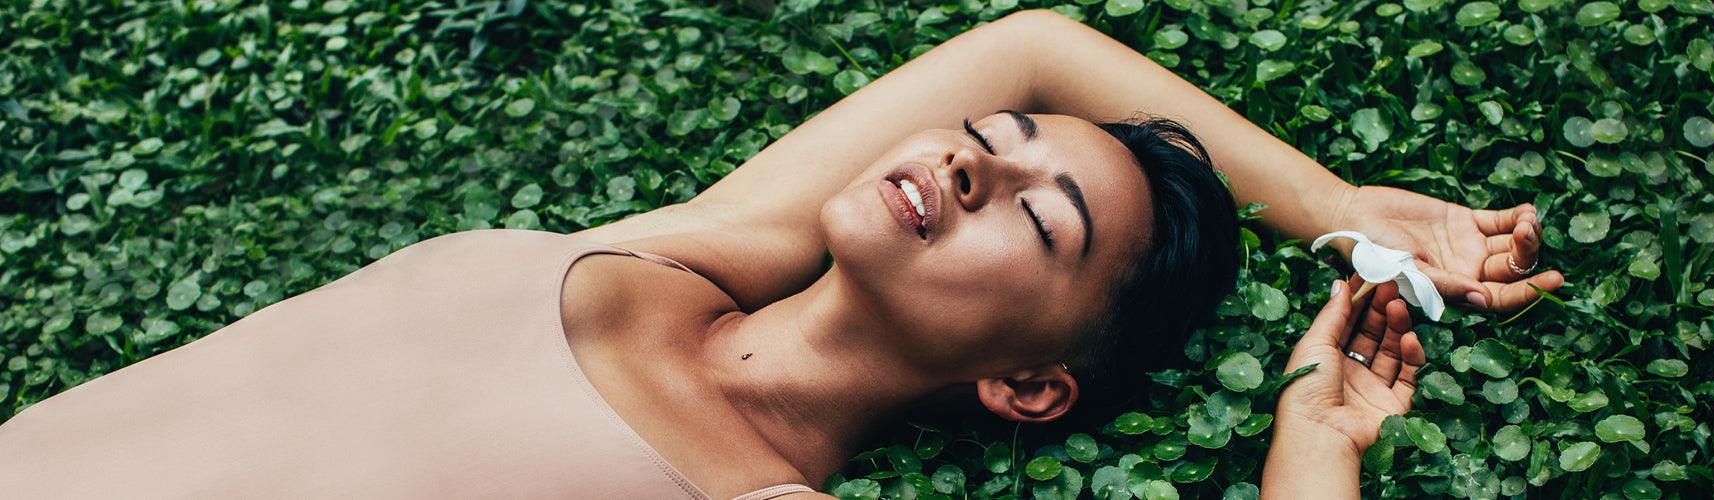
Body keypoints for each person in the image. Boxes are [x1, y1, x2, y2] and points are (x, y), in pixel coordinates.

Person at [0, 9, 1561, 499]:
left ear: (1027, 382)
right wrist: (1343, 198)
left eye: (1036, 212)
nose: (968, 152)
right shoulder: (678, 254)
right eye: (997, 141)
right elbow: (1036, 40)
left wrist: (1320, 435)